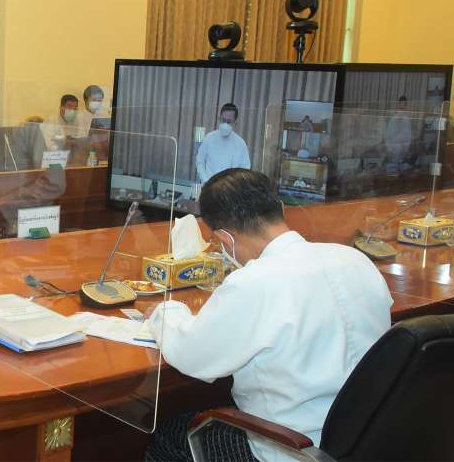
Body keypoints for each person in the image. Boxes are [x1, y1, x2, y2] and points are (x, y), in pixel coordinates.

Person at [145, 169, 392, 462]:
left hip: (293, 449)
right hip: (369, 441)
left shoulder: (254, 282)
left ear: (226, 238)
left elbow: (191, 356)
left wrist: (164, 312)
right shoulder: (356, 260)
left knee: (170, 434)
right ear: (280, 209)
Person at [196, 102, 251, 185]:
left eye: (228, 122)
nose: (225, 124)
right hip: (209, 186)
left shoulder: (240, 144)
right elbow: (200, 161)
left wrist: (234, 186)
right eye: (223, 120)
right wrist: (206, 182)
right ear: (219, 119)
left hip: (230, 189)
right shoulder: (209, 138)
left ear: (235, 122)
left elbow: (245, 170)